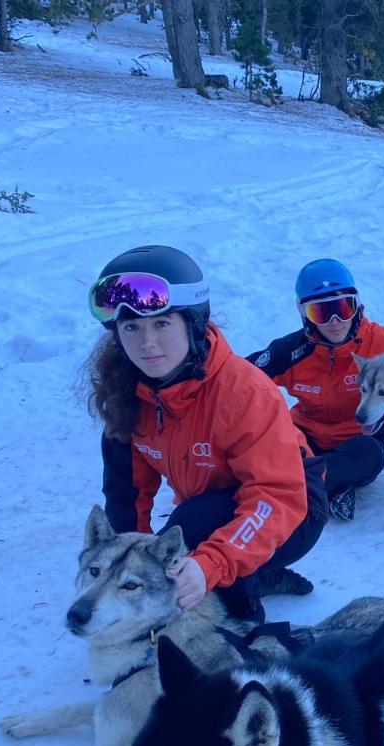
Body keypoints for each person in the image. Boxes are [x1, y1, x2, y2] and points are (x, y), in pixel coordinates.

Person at [83, 245, 327, 621]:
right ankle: (252, 573)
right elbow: (126, 497)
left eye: (162, 324)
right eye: (131, 327)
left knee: (191, 527)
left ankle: (241, 622)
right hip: (214, 506)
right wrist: (122, 573)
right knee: (175, 542)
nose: (147, 343)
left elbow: (275, 497)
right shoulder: (128, 393)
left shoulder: (244, 392)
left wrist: (210, 564)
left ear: (193, 324)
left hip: (294, 510)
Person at [247, 258, 384, 521]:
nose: (335, 321)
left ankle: (288, 489)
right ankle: (327, 489)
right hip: (305, 440)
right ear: (305, 315)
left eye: (343, 307)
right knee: (267, 447)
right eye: (321, 313)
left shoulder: (381, 342)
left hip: (357, 444)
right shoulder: (292, 351)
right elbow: (239, 378)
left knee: (370, 456)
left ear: (357, 306)